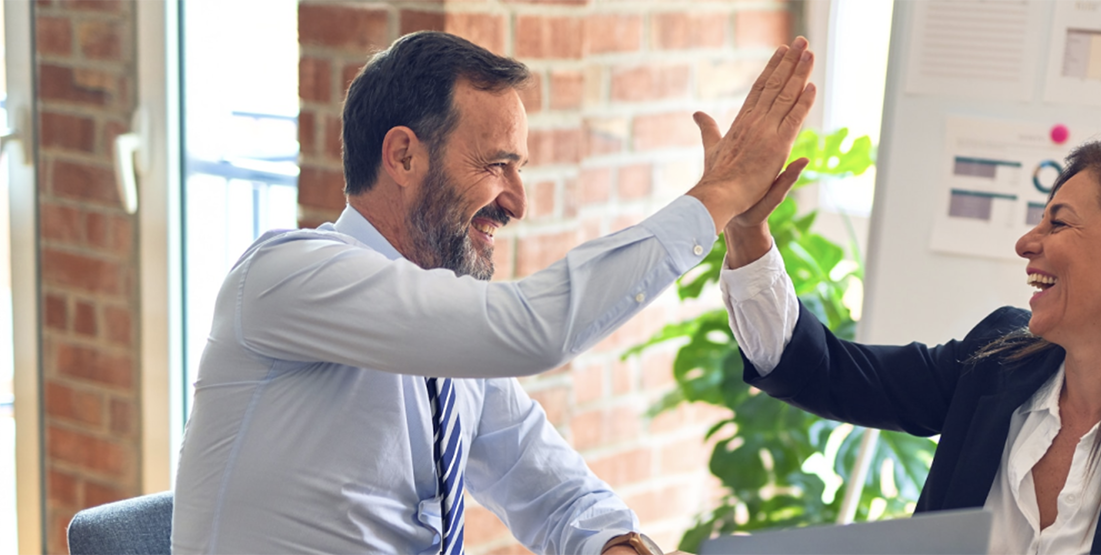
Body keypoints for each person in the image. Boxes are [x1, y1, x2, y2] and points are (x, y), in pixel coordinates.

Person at [172, 31, 817, 555]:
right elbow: (530, 329)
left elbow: (554, 495)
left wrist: (617, 547)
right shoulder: (287, 278)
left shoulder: (448, 341)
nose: (517, 201)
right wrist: (716, 199)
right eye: (495, 164)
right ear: (402, 157)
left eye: (520, 167)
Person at [719, 139, 1101, 555]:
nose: (1026, 243)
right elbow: (825, 372)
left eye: (1058, 224)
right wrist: (747, 231)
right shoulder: (998, 360)